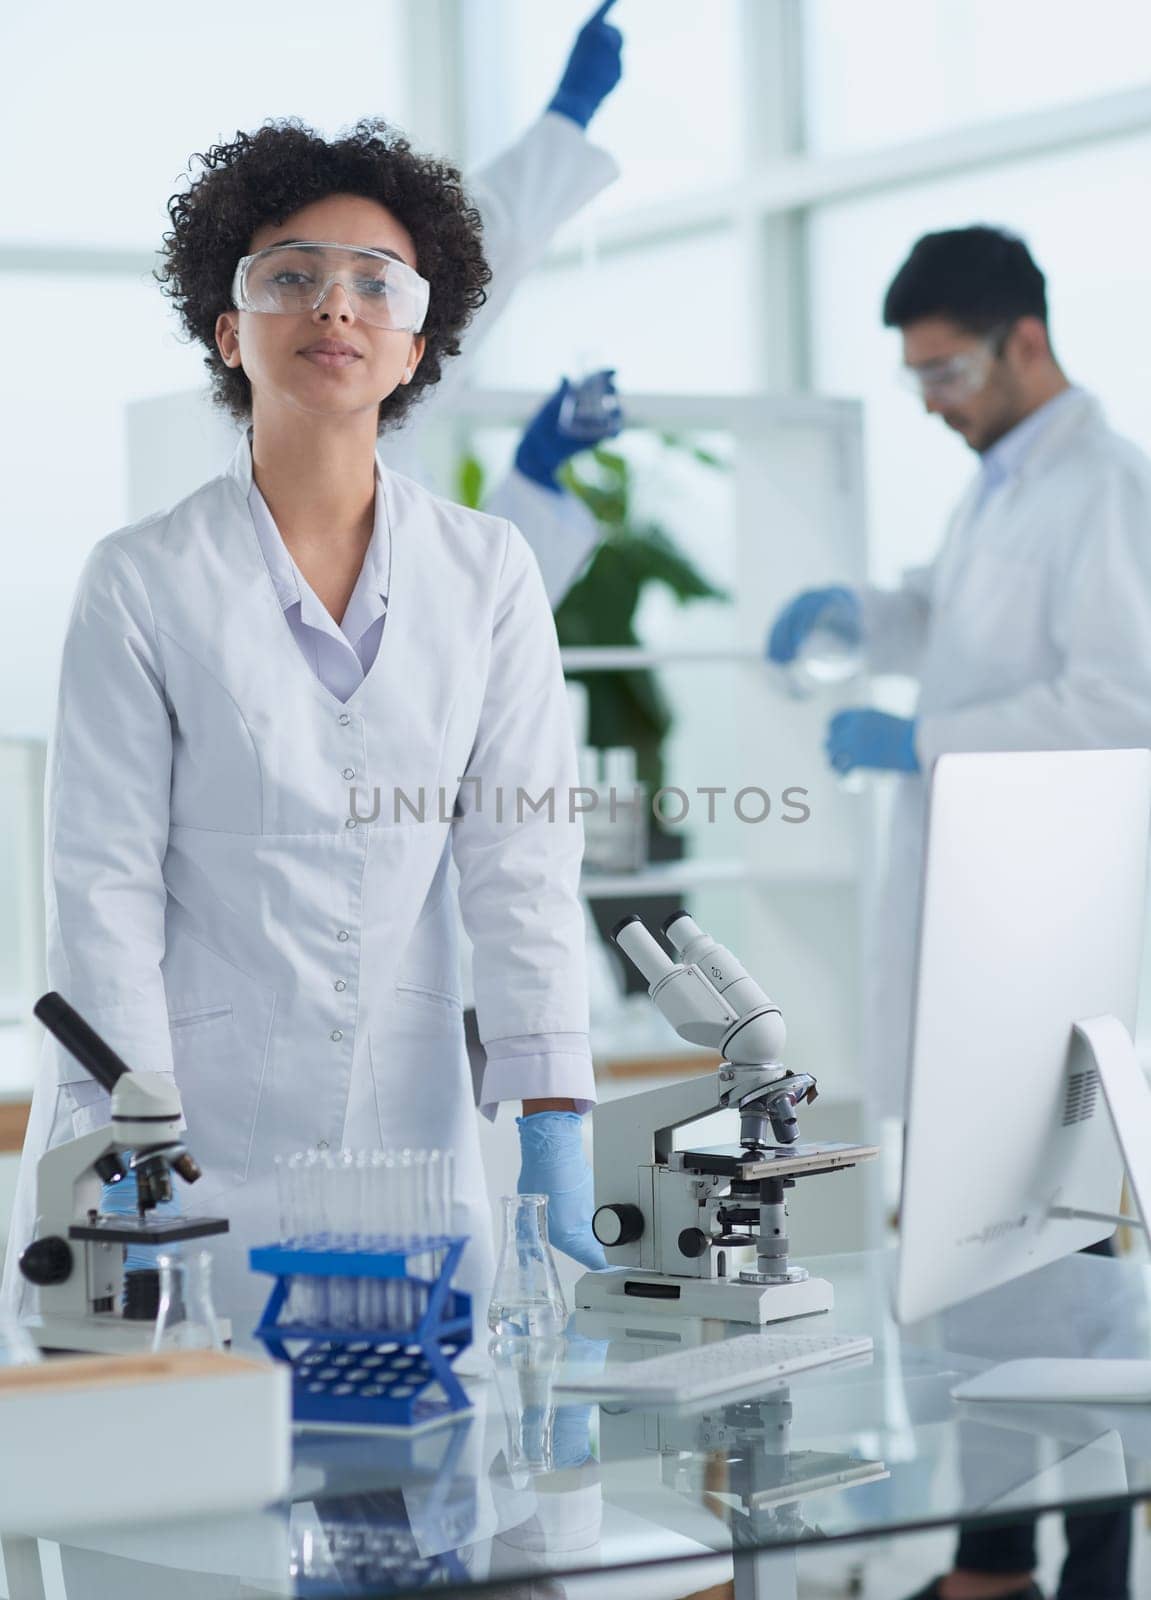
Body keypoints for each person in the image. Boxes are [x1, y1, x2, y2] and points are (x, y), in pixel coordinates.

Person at [3, 116, 609, 1340]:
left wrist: (553, 1119)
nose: (334, 305)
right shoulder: (142, 578)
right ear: (231, 331)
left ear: (412, 348)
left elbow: (520, 862)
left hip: (411, 1157)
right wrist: (124, 1122)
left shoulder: (487, 573)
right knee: (181, 1503)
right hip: (184, 1152)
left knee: (426, 1495)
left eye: (372, 285)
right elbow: (102, 882)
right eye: (291, 276)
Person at [769, 225, 1151, 1600]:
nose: (930, 400)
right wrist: (860, 617)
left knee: (1069, 1287)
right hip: (981, 944)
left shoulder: (1101, 488)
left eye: (943, 372)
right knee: (981, 1279)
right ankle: (989, 1560)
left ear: (1022, 343)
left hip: (1047, 941)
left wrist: (919, 739)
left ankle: (1087, 1572)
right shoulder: (999, 485)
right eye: (915, 377)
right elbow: (952, 619)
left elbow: (1119, 702)